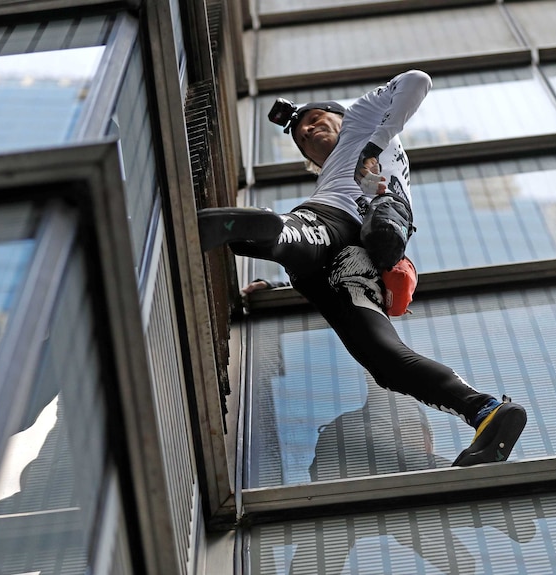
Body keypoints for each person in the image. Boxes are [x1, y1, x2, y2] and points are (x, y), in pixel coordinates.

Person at [198, 70, 526, 466]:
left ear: (342, 116)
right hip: (351, 254)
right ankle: (484, 409)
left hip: (344, 228)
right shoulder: (338, 170)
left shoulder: (362, 119)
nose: (307, 130)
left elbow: (416, 80)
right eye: (302, 136)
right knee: (386, 357)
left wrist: (373, 142)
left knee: (305, 240)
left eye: (316, 119)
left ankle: (271, 232)